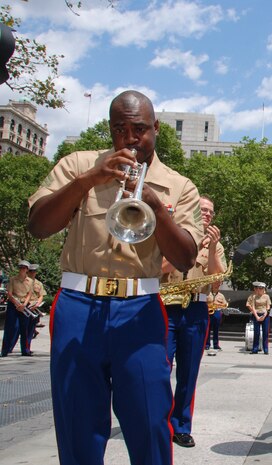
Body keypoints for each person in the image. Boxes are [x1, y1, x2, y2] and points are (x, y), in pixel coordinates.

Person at [27, 90, 203, 465]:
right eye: (120, 129)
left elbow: (186, 256)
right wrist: (88, 180)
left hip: (139, 309)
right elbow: (39, 225)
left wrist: (155, 205)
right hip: (78, 303)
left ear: (155, 128)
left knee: (150, 419)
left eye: (139, 128)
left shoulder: (180, 184)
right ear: (110, 129)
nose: (130, 138)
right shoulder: (79, 164)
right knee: (78, 422)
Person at [162, 195, 226, 448]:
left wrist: (210, 248)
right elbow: (161, 268)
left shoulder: (216, 244)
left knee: (188, 372)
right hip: (167, 307)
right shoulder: (171, 234)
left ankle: (181, 426)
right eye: (202, 210)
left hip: (197, 309)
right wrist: (192, 243)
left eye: (211, 211)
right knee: (160, 368)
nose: (207, 214)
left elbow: (216, 282)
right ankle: (159, 421)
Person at [0, 260, 32, 357]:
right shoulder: (13, 279)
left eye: (24, 268)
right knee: (10, 327)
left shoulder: (30, 281)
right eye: (21, 267)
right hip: (13, 304)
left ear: (27, 270)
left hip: (24, 305)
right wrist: (17, 304)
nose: (22, 269)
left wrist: (24, 305)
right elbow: (9, 294)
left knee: (24, 328)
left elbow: (29, 294)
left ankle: (25, 350)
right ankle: (4, 350)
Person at [246, 282, 271, 354]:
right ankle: (255, 349)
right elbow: (253, 307)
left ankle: (265, 349)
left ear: (264, 289)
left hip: (264, 315)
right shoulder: (254, 296)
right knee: (256, 333)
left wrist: (264, 315)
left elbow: (268, 307)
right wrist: (256, 316)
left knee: (265, 332)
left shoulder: (266, 296)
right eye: (259, 288)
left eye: (261, 288)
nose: (259, 289)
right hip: (256, 314)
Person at [26, 263, 47, 343]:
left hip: (34, 307)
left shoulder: (39, 284)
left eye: (34, 271)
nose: (32, 273)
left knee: (31, 327)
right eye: (30, 271)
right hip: (24, 306)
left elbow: (41, 295)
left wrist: (37, 304)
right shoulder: (24, 281)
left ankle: (27, 347)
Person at [206, 281, 228, 352]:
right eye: (215, 283)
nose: (217, 285)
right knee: (207, 329)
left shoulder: (221, 295)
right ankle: (207, 344)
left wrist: (221, 305)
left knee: (216, 330)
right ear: (212, 284)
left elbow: (225, 304)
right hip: (208, 312)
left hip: (217, 312)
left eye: (218, 284)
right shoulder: (207, 294)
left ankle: (216, 345)